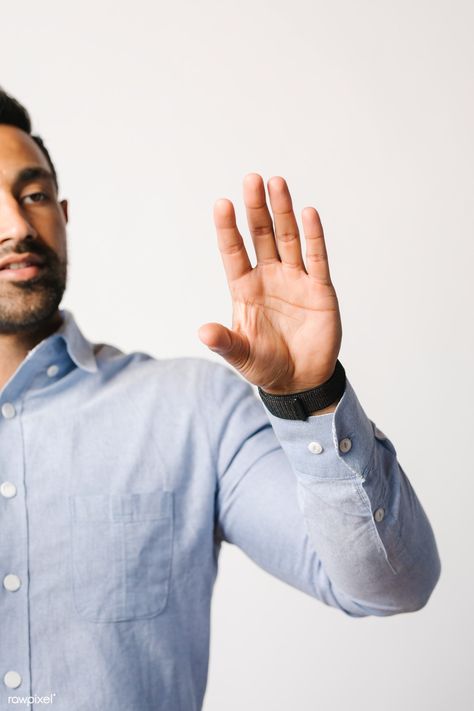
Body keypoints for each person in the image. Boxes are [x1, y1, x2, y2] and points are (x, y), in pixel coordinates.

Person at [0, 87, 440, 711]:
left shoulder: (193, 409)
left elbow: (391, 586)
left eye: (34, 195)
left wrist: (309, 397)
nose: (17, 226)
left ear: (64, 214)